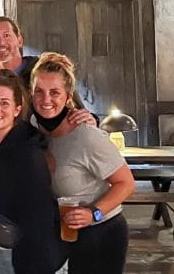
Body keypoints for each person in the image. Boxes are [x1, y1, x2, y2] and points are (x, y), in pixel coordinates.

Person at [30, 53, 135, 274]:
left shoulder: (86, 135)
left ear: (68, 96)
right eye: (39, 91)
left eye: (55, 92)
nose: (46, 99)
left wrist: (93, 213)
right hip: (64, 233)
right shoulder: (33, 128)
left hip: (101, 233)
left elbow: (126, 183)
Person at [0, 71, 65, 274]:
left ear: (17, 109)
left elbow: (38, 221)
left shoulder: (26, 153)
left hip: (26, 258)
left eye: (4, 103)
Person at [0, 16, 92, 123]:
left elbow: (79, 110)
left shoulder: (46, 69)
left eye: (6, 35)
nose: (1, 43)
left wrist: (91, 120)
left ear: (19, 40)